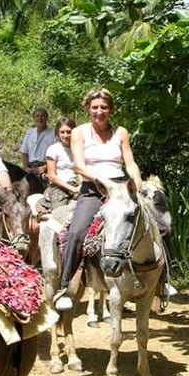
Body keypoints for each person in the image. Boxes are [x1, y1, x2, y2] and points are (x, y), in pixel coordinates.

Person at [54, 89, 143, 312]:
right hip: (93, 189)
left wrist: (137, 179)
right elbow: (78, 165)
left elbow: (129, 162)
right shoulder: (78, 132)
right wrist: (100, 180)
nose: (99, 112)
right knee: (76, 232)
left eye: (104, 107)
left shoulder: (121, 132)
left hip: (120, 188)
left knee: (157, 221)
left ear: (110, 109)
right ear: (88, 109)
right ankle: (65, 286)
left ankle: (161, 280)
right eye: (95, 107)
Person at [43, 117, 80, 210]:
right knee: (59, 212)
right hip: (60, 187)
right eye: (62, 132)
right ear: (57, 133)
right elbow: (52, 176)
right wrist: (72, 189)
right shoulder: (53, 149)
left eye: (68, 132)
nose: (66, 135)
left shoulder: (79, 149)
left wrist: (81, 185)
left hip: (79, 184)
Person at [20, 107, 56, 181]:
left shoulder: (53, 134)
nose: (40, 118)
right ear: (34, 118)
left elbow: (56, 155)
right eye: (37, 116)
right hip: (31, 167)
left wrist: (44, 168)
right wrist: (25, 168)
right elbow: (24, 153)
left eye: (43, 116)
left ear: (47, 118)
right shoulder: (29, 133)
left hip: (46, 166)